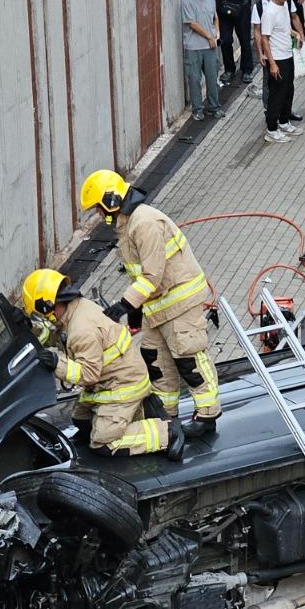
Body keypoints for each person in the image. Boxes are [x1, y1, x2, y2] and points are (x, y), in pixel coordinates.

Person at [80, 170, 222, 437]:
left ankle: (207, 414)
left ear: (110, 201)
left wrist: (125, 305)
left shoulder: (144, 222)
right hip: (157, 308)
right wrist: (135, 312)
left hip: (179, 304)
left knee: (188, 360)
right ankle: (166, 418)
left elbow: (152, 276)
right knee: (156, 362)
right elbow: (140, 276)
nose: (99, 215)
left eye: (98, 209)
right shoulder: (129, 224)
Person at [21, 268, 185, 459]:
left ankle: (166, 432)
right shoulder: (74, 309)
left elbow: (89, 375)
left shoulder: (82, 330)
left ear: (47, 306)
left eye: (38, 316)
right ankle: (142, 408)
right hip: (109, 381)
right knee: (81, 420)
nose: (40, 320)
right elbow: (58, 337)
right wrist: (29, 329)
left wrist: (57, 364)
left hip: (122, 386)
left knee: (103, 443)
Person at [255, 0, 304, 143]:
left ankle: (284, 121)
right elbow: (264, 38)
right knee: (276, 94)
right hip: (277, 59)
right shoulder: (269, 12)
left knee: (288, 90)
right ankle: (271, 129)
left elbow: (284, 28)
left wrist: (295, 33)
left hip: (287, 55)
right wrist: (272, 63)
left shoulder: (284, 6)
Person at [182, 0, 223, 120]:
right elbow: (192, 24)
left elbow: (215, 17)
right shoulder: (186, 0)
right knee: (194, 79)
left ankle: (214, 107)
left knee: (212, 77)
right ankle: (197, 109)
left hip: (210, 46)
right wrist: (209, 37)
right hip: (194, 46)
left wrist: (217, 32)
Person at [212, 0, 256, 85]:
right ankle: (229, 69)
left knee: (244, 39)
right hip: (223, 8)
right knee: (225, 40)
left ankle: (247, 70)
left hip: (242, 7)